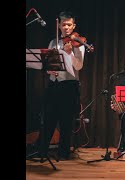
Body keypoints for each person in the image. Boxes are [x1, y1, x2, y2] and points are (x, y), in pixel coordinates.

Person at [40, 11, 85, 160]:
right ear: (59, 25)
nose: (66, 27)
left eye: (69, 24)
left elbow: (78, 66)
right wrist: (50, 71)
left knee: (66, 122)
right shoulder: (53, 42)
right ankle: (42, 151)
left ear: (74, 26)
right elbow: (47, 64)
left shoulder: (79, 44)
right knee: (48, 119)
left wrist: (70, 53)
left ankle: (63, 153)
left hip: (69, 86)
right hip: (54, 85)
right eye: (63, 24)